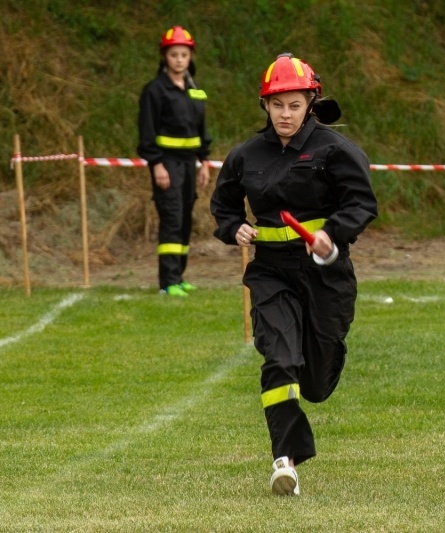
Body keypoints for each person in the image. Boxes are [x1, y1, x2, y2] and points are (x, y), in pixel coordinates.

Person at [210, 53, 378, 495]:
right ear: (265, 105)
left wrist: (334, 236)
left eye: (294, 105)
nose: (285, 114)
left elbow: (361, 204)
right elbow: (223, 205)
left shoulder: (336, 151)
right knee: (280, 359)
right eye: (277, 104)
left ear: (310, 103)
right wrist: (233, 228)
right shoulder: (246, 155)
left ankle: (320, 367)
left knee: (317, 384)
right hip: (270, 273)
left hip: (325, 273)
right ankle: (284, 459)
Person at [137, 25, 212, 297]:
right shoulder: (154, 91)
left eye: (183, 54)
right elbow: (147, 133)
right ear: (164, 57)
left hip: (189, 165)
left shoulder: (194, 90)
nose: (179, 59)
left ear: (190, 57)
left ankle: (179, 276)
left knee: (184, 220)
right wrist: (156, 164)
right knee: (171, 218)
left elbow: (201, 130)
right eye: (173, 55)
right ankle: (167, 283)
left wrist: (204, 162)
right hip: (166, 164)